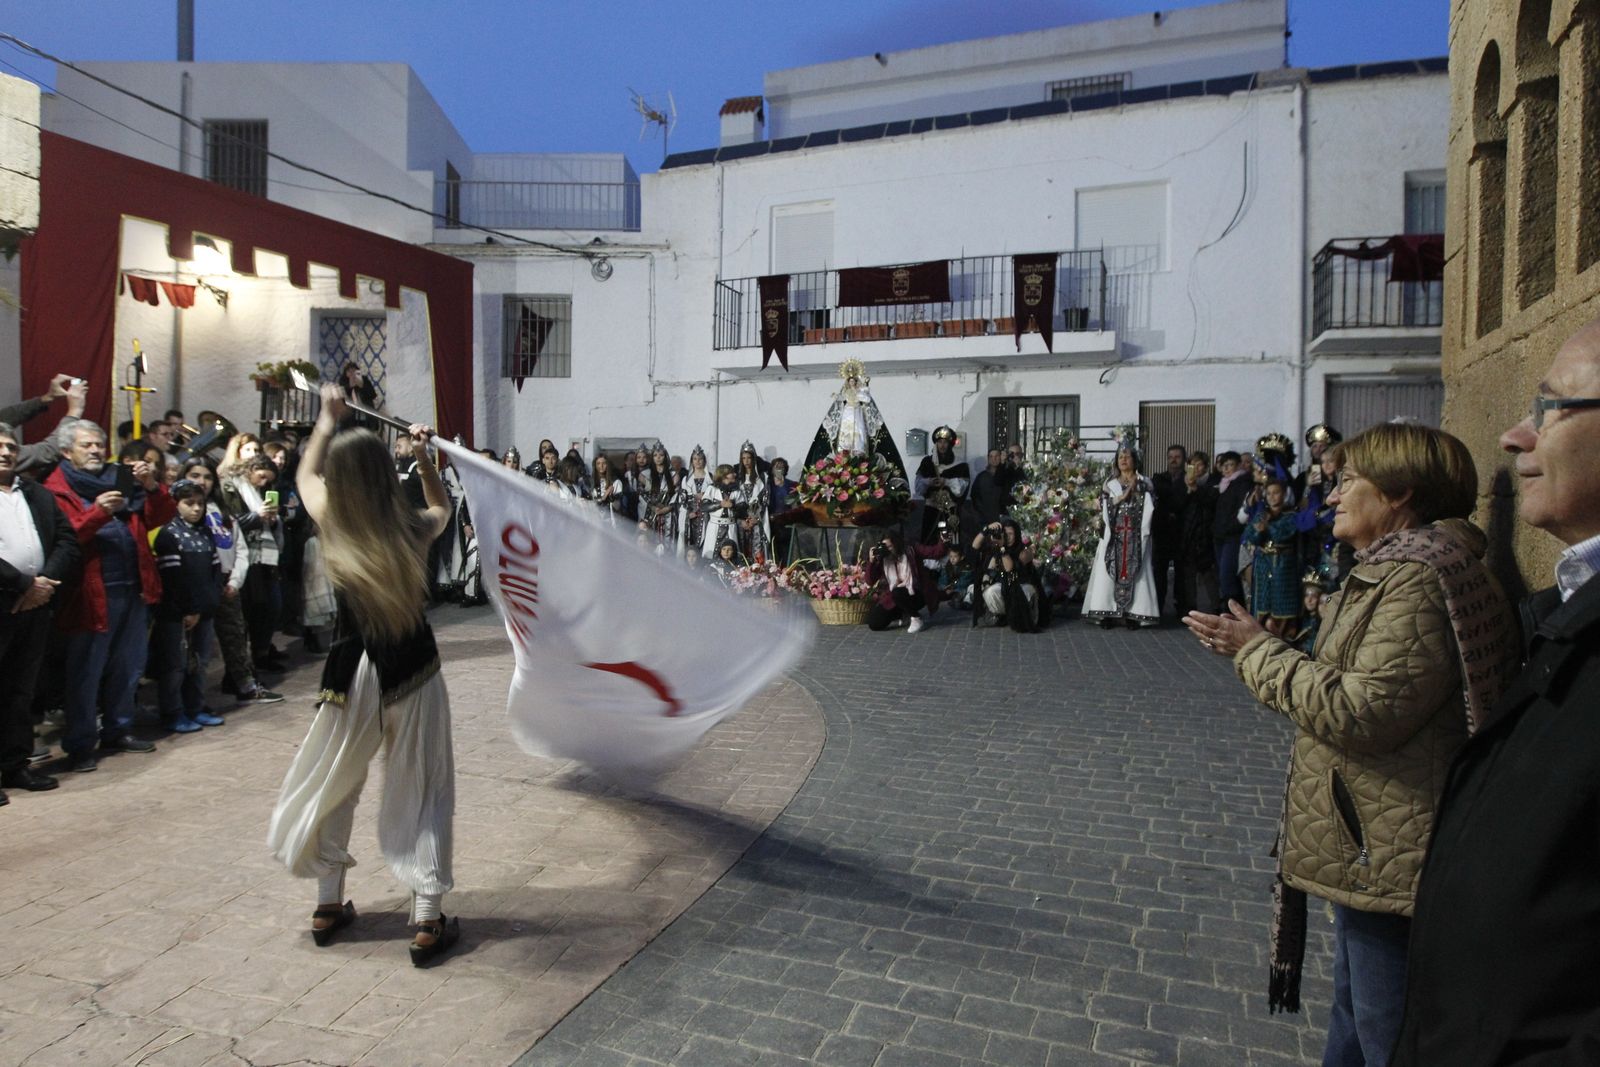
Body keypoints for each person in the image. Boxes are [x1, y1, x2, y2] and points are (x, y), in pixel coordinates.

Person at [1184, 422, 1518, 1067]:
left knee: (1384, 1027)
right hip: (1375, 833)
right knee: (1354, 1014)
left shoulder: (1418, 582)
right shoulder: (1400, 571)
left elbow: (1358, 711)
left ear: (1399, 495)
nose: (1332, 496)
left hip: (1390, 840)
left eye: (1349, 482)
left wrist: (1255, 651)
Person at [1391, 316, 1600, 1066]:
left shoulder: (1419, 575)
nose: (1515, 436)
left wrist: (1260, 658)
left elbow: (1374, 704)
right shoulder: (1567, 604)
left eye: (1550, 406)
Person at [267, 384, 460, 966]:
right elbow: (443, 507)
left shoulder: (331, 520)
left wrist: (326, 420)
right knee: (423, 787)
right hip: (414, 670)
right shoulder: (411, 529)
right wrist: (424, 458)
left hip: (350, 672)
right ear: (386, 472)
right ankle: (426, 916)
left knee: (337, 783)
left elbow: (306, 475)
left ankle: (329, 902)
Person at [46, 422, 176, 771]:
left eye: (99, 445)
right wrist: (98, 513)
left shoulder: (120, 479)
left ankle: (119, 730)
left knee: (127, 667)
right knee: (86, 674)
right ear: (66, 452)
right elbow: (64, 539)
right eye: (86, 445)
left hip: (133, 590)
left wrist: (151, 486)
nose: (95, 451)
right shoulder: (56, 490)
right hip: (90, 595)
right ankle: (81, 743)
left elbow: (161, 517)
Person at [0, 421, 80, 799]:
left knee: (21, 690)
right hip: (6, 598)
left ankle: (14, 766)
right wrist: (23, 584)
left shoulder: (37, 493)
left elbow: (67, 540)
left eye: (11, 447)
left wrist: (44, 581)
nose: (6, 452)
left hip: (36, 603)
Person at [150, 479, 226, 733]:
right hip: (176, 613)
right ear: (176, 504)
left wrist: (210, 601)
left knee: (200, 662)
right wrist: (188, 609)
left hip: (203, 611)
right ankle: (173, 712)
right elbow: (173, 579)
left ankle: (195, 707)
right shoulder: (168, 535)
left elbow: (216, 569)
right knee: (175, 665)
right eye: (189, 503)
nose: (196, 509)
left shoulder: (204, 533)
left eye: (200, 503)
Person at [1082, 444, 1158, 628]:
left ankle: (1134, 614)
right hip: (1113, 536)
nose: (1123, 460)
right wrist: (1120, 499)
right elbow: (1103, 506)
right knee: (1107, 574)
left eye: (1127, 456)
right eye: (1120, 457)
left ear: (1135, 460)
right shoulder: (1110, 484)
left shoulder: (1144, 482)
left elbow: (1150, 507)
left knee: (1136, 572)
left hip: (1136, 536)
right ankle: (1107, 612)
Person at [223, 455, 286, 674]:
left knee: (271, 608)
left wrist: (272, 519)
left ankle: (261, 653)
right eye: (261, 477)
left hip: (266, 557)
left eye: (267, 481)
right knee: (252, 612)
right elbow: (231, 522)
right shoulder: (232, 487)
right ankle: (245, 665)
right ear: (252, 469)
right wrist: (257, 517)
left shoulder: (258, 492)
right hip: (246, 557)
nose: (263, 483)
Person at [804, 357, 906, 477]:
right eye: (850, 381)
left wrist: (865, 389)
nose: (852, 383)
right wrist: (836, 396)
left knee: (859, 432)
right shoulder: (846, 392)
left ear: (856, 382)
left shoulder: (859, 392)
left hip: (857, 412)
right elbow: (841, 399)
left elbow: (866, 399)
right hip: (847, 413)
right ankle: (844, 452)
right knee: (845, 433)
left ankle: (858, 451)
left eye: (854, 381)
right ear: (848, 382)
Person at [1241, 479, 1300, 627]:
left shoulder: (1291, 515)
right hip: (1263, 564)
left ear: (1284, 494)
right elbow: (1250, 535)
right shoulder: (1262, 515)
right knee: (1262, 602)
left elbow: (1285, 534)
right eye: (1269, 493)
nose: (1272, 497)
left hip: (1283, 565)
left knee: (1282, 603)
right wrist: (1258, 532)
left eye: (1276, 493)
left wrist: (1267, 527)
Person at [865, 529, 939, 632]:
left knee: (898, 592)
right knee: (875, 623)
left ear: (897, 544)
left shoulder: (911, 550)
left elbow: (933, 552)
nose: (888, 550)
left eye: (890, 546)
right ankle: (904, 615)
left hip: (916, 592)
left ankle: (916, 618)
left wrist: (944, 542)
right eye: (885, 547)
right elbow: (870, 581)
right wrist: (872, 561)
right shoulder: (883, 558)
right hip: (894, 597)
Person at [1173, 451, 1218, 617]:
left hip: (1205, 534)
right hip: (1186, 535)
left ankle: (1217, 607)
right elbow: (1176, 505)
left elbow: (1211, 501)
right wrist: (1188, 490)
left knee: (1209, 575)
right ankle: (1188, 608)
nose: (1196, 469)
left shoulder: (1213, 482)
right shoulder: (1180, 482)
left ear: (1205, 467)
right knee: (1187, 575)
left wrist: (1196, 489)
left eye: (1200, 465)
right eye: (1193, 465)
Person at [1150, 443, 1188, 616]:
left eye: (1177, 457)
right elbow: (1159, 491)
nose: (1174, 460)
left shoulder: (1189, 478)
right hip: (1162, 531)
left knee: (1182, 574)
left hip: (1182, 532)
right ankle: (1157, 606)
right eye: (1171, 457)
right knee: (1159, 572)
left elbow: (1184, 500)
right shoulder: (1159, 477)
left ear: (1183, 459)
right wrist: (1179, 492)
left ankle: (1181, 608)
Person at [915, 426, 970, 544]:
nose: (942, 445)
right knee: (929, 538)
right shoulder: (927, 462)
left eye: (945, 442)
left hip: (950, 508)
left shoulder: (960, 464)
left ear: (950, 444)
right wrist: (928, 482)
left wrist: (947, 482)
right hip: (932, 507)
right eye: (940, 442)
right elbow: (918, 484)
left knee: (951, 539)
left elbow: (963, 486)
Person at [1212, 451, 1250, 610]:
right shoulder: (1222, 484)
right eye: (1224, 466)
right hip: (1220, 535)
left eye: (1230, 465)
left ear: (1238, 465)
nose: (1227, 469)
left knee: (1228, 575)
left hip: (1233, 536)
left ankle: (1233, 609)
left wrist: (1232, 525)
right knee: (1223, 574)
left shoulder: (1242, 482)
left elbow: (1244, 509)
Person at [733, 441, 770, 562]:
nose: (746, 461)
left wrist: (756, 518)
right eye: (743, 458)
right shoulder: (737, 478)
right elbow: (734, 501)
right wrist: (741, 520)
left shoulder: (762, 477)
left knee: (757, 551)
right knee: (741, 549)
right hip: (741, 521)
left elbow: (765, 501)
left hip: (757, 520)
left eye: (749, 458)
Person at [701, 464, 743, 559]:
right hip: (714, 527)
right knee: (711, 554)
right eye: (731, 473)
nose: (734, 474)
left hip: (731, 527)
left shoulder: (736, 490)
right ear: (724, 475)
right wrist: (720, 505)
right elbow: (704, 506)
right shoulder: (712, 489)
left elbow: (743, 508)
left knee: (733, 554)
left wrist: (733, 506)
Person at [677, 446, 714, 550]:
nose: (698, 461)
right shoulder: (686, 479)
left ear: (704, 461)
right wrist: (689, 512)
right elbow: (682, 499)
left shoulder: (710, 478)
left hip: (706, 515)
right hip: (691, 516)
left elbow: (714, 496)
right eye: (695, 459)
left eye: (700, 459)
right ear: (691, 461)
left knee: (706, 539)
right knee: (689, 539)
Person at [968, 449, 1009, 532]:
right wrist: (980, 516)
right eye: (991, 456)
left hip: (1004, 517)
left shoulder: (1006, 474)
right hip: (985, 518)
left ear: (1000, 457)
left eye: (997, 456)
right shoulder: (981, 477)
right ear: (988, 458)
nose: (994, 459)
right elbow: (975, 497)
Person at [589, 453, 625, 525]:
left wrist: (611, 497)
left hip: (612, 521)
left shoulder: (616, 482)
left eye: (604, 463)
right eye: (598, 463)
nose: (601, 466)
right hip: (595, 521)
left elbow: (618, 506)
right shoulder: (591, 482)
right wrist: (605, 495)